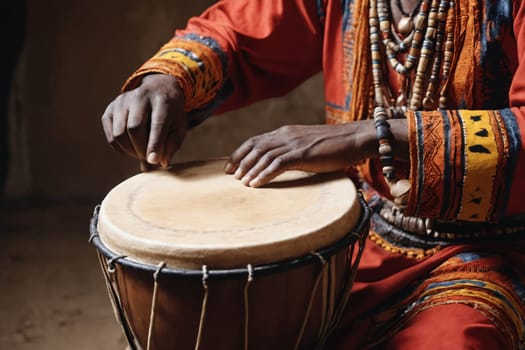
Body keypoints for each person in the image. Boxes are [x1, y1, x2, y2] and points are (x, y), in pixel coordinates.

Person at [101, 0, 525, 348]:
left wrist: (370, 135)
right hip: (361, 235)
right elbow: (245, 29)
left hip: (492, 248)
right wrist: (168, 80)